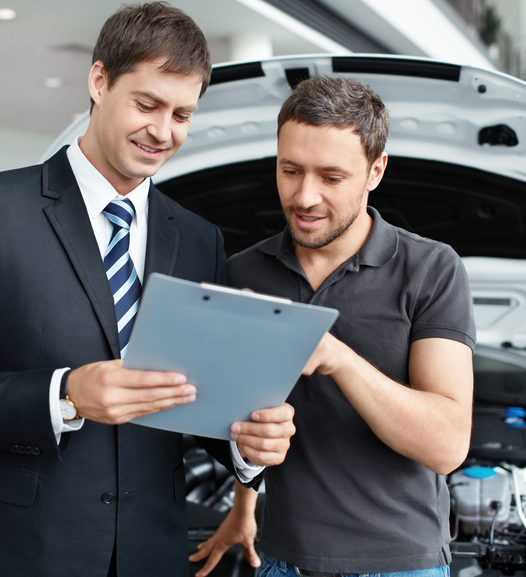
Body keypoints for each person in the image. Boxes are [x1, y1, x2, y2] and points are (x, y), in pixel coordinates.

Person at [0, 4, 295, 576]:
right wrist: (65, 394)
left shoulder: (201, 239)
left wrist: (247, 446)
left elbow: (200, 399)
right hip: (13, 552)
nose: (163, 130)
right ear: (99, 81)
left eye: (182, 113)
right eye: (146, 104)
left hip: (151, 554)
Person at [189, 77, 476, 577]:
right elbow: (244, 410)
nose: (304, 197)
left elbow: (447, 446)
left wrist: (339, 359)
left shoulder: (432, 269)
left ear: (375, 171)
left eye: (331, 177)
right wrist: (243, 505)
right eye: (290, 170)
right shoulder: (241, 274)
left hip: (401, 565)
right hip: (281, 561)